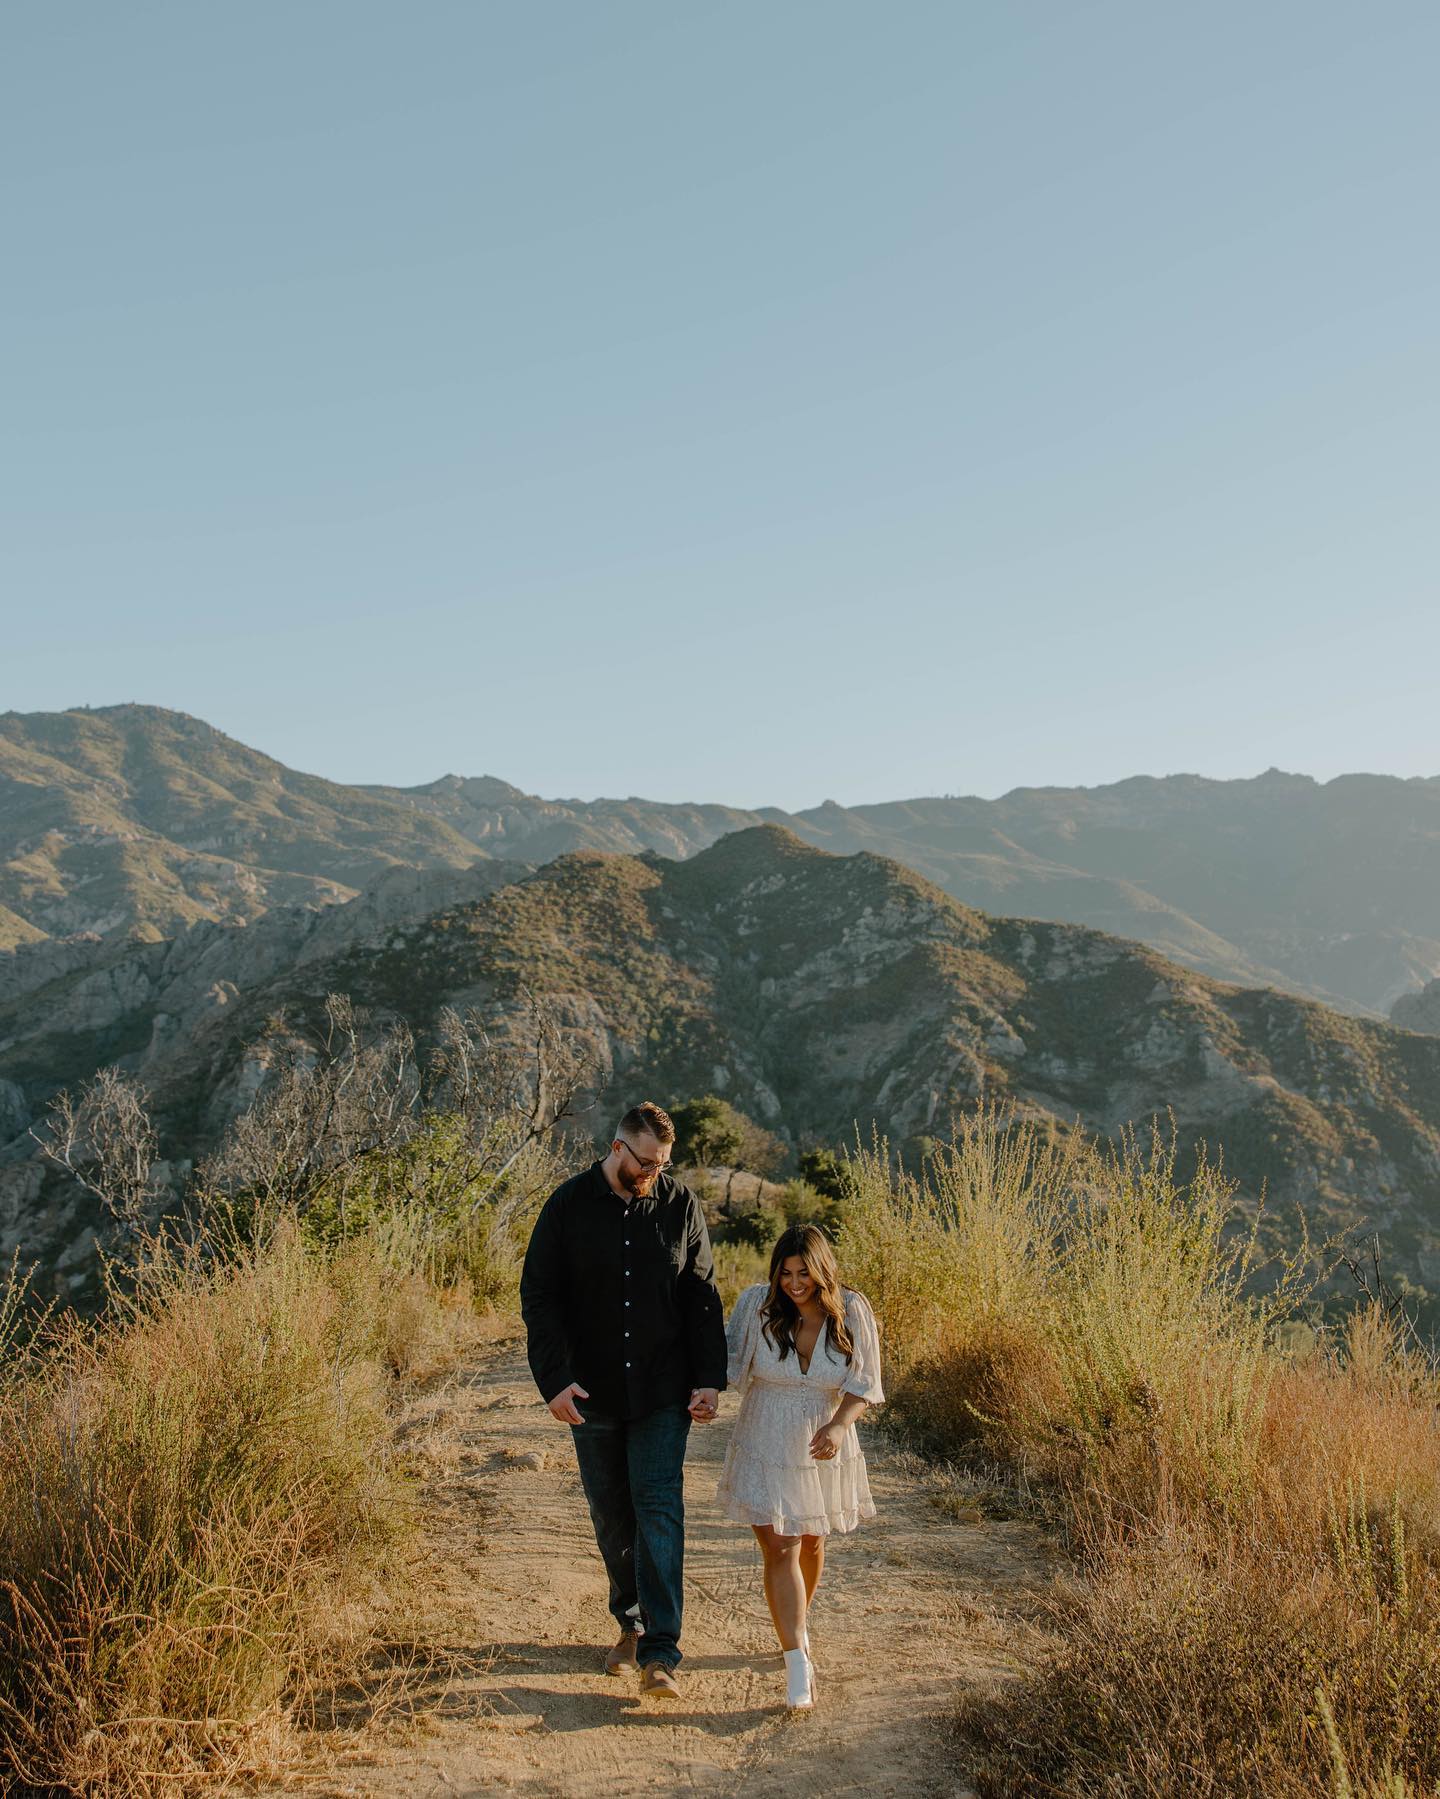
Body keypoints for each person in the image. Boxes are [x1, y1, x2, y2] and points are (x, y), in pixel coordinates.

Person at [520, 1101, 727, 1700]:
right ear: (617, 1148)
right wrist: (554, 1380)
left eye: (662, 1165)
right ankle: (630, 1625)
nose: (653, 1174)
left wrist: (709, 1377)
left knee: (659, 1507)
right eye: (645, 1162)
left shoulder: (680, 1205)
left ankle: (662, 1650)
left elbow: (702, 1295)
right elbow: (540, 1297)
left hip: (664, 1391)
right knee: (612, 1515)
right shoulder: (566, 1207)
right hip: (593, 1393)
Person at [715, 1223, 884, 1710]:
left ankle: (797, 1627)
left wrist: (837, 1425)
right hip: (765, 1432)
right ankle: (796, 1662)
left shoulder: (852, 1310)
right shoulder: (756, 1304)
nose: (793, 1283)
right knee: (781, 1544)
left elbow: (864, 1382)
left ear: (822, 1270)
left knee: (812, 1539)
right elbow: (726, 1361)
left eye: (803, 1273)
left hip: (823, 1438)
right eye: (785, 1273)